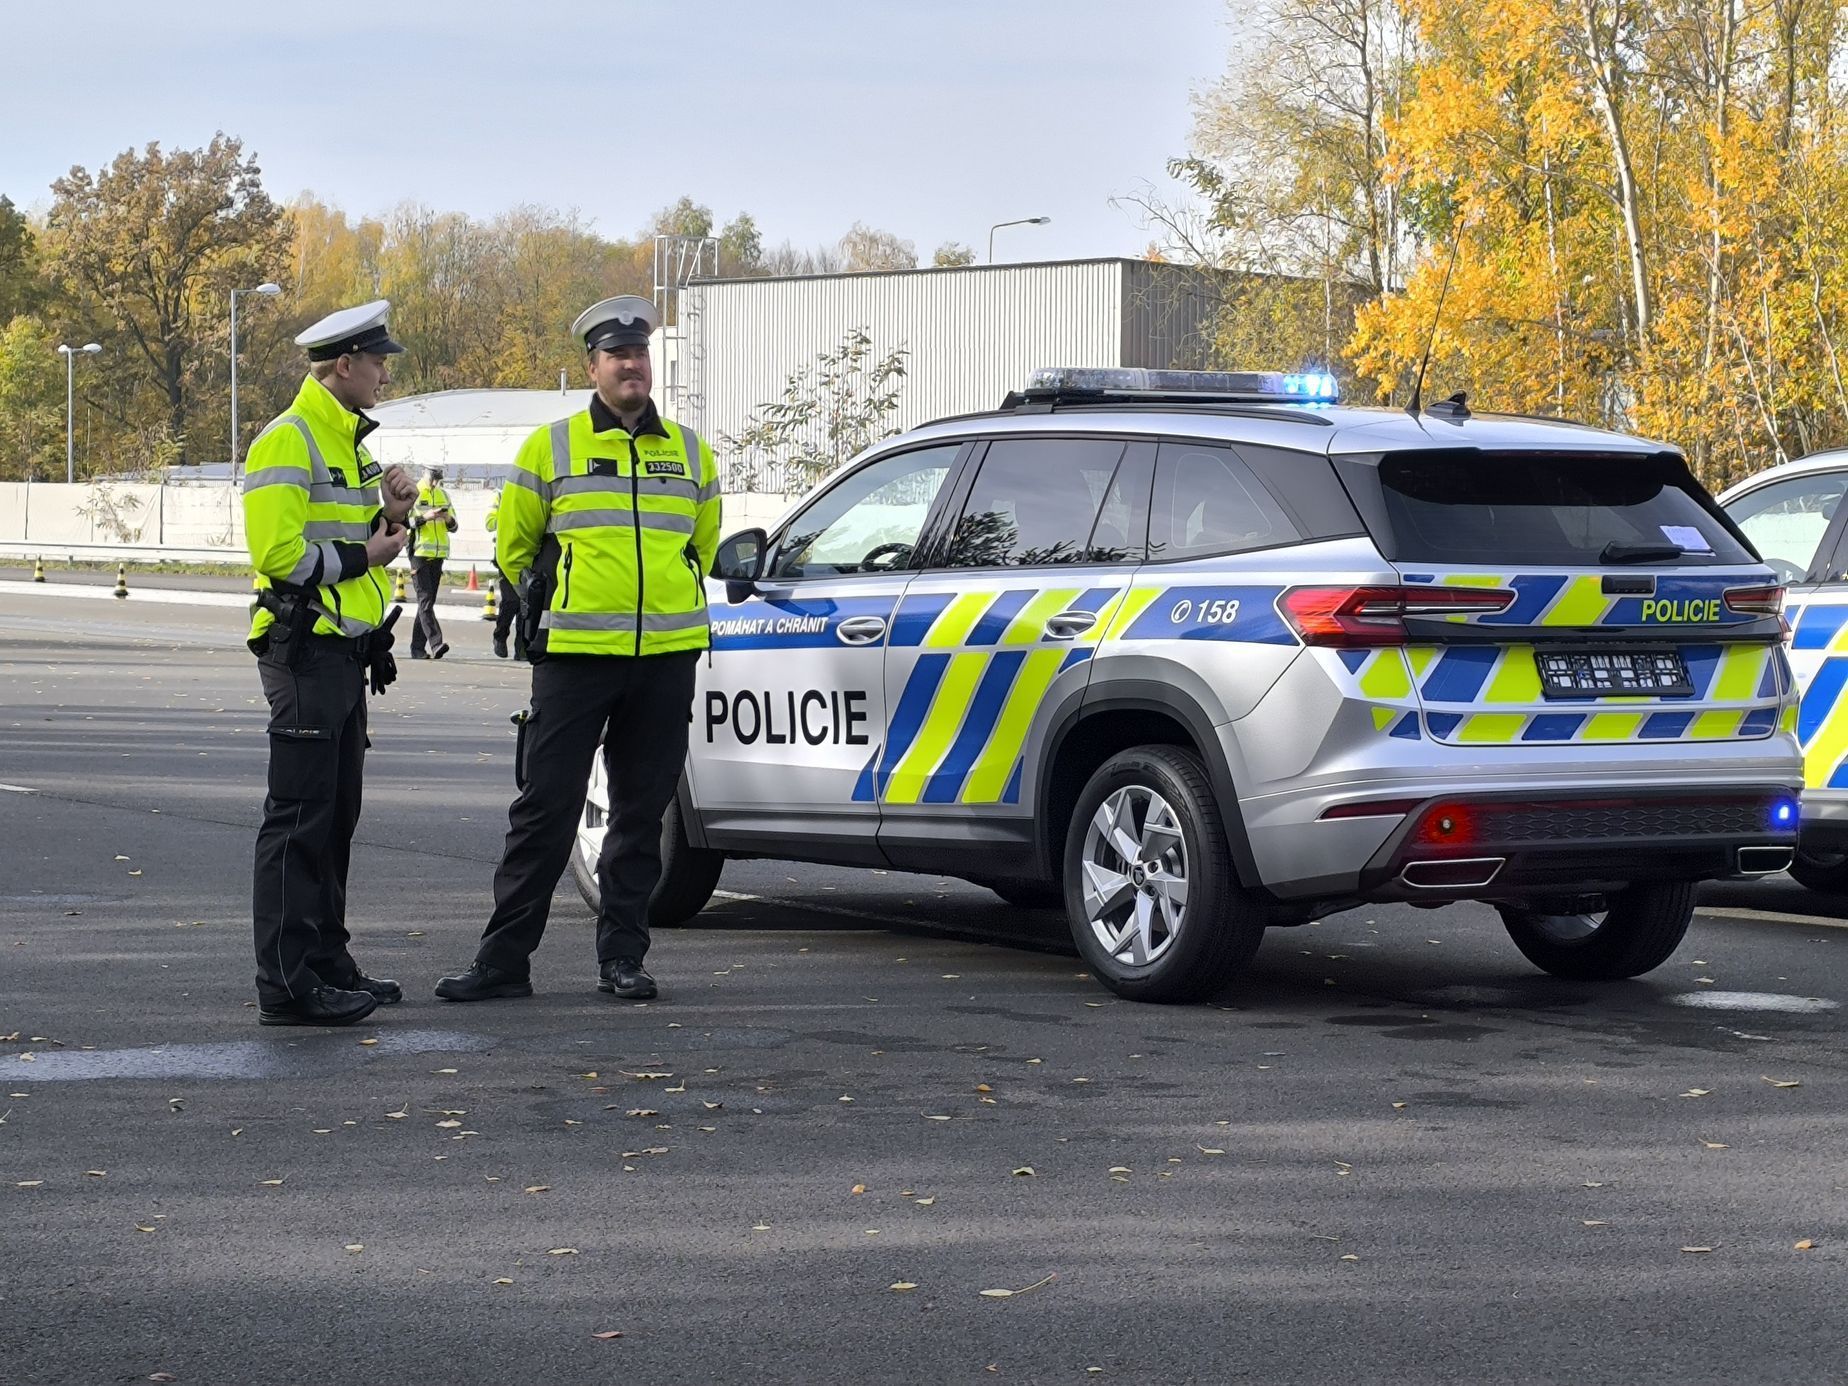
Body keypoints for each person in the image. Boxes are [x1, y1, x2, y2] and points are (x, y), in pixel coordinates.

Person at [436, 295, 720, 1004]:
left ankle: (623, 959)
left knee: (639, 815)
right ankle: (504, 962)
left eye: (640, 353)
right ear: (591, 365)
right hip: (574, 657)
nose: (632, 364)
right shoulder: (551, 446)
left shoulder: (690, 451)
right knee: (546, 808)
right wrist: (555, 599)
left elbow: (702, 546)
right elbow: (516, 546)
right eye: (617, 355)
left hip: (666, 659)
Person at [243, 300, 418, 1026]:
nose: (384, 373)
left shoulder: (349, 443)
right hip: (305, 650)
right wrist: (367, 553)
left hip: (343, 654)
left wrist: (396, 514)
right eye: (378, 361)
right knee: (299, 819)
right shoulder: (290, 440)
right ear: (344, 365)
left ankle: (325, 959)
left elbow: (363, 544)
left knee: (334, 816)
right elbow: (279, 556)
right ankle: (286, 984)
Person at [407, 465, 456, 659]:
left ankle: (417, 648)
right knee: (425, 601)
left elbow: (454, 526)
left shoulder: (444, 495)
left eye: (439, 479)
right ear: (425, 474)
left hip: (438, 555)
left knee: (426, 603)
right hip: (419, 553)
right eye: (433, 478)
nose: (436, 482)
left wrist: (447, 517)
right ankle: (436, 643)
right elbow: (405, 522)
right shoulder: (414, 493)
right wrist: (424, 518)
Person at [484, 485, 521, 659]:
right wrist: (508, 517)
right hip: (505, 556)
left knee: (527, 603)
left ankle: (522, 648)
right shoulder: (501, 496)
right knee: (511, 600)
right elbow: (490, 523)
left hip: (529, 554)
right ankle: (500, 636)